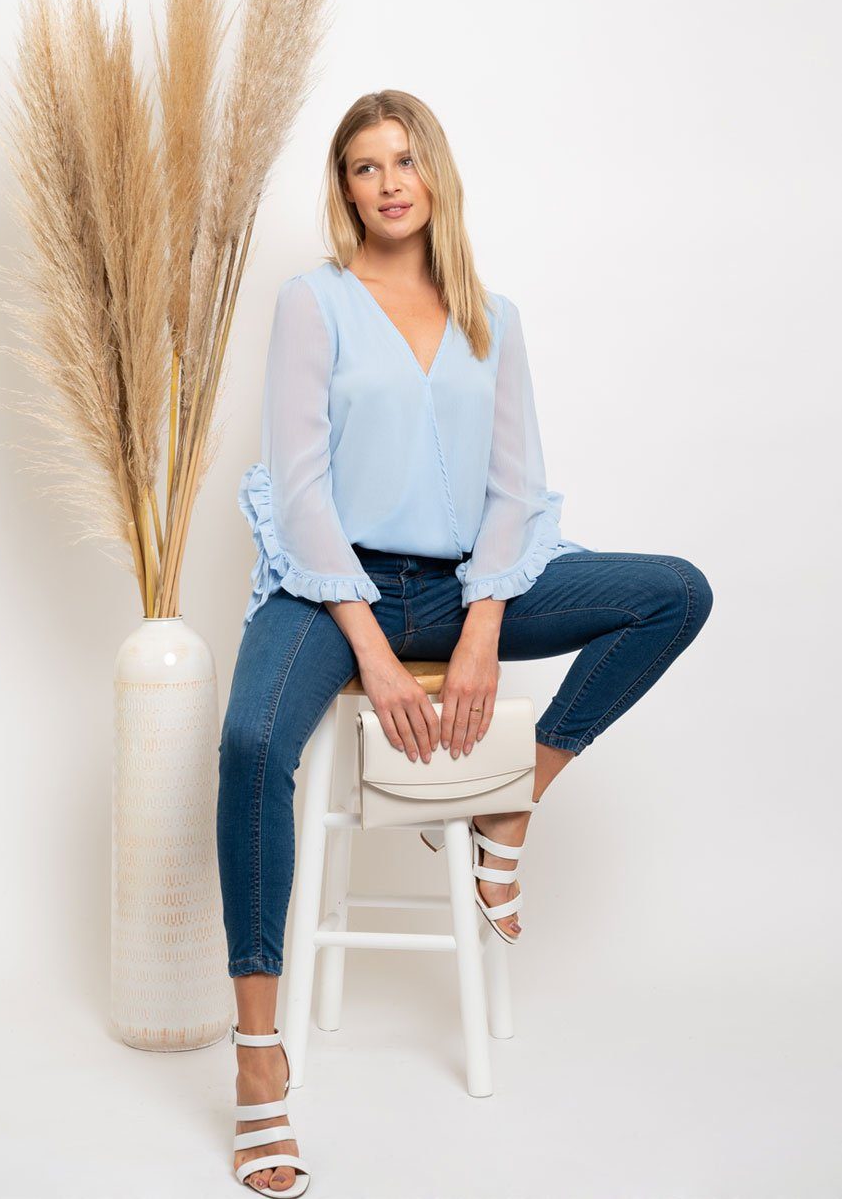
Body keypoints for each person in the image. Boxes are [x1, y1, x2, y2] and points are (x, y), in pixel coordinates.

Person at [216, 90, 714, 1192]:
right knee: (251, 745)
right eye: (364, 166)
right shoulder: (314, 302)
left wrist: (485, 619)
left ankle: (508, 807)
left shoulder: (493, 315)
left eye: (404, 160)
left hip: (459, 588)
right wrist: (370, 648)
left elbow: (514, 486)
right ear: (344, 190)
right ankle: (257, 1057)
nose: (387, 182)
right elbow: (298, 490)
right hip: (329, 589)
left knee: (673, 594)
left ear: (434, 172)